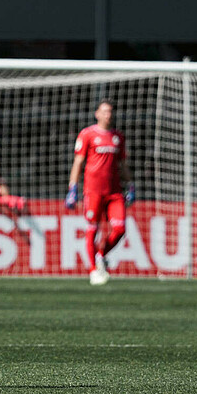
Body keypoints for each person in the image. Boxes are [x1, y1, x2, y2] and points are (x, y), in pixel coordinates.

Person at [65, 99, 134, 285]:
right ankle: (93, 271)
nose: (108, 115)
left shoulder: (118, 137)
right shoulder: (87, 134)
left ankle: (100, 255)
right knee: (91, 230)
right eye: (104, 111)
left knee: (120, 229)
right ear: (97, 114)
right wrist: (73, 188)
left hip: (114, 192)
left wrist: (131, 185)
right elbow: (78, 162)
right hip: (93, 191)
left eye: (110, 111)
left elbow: (121, 164)